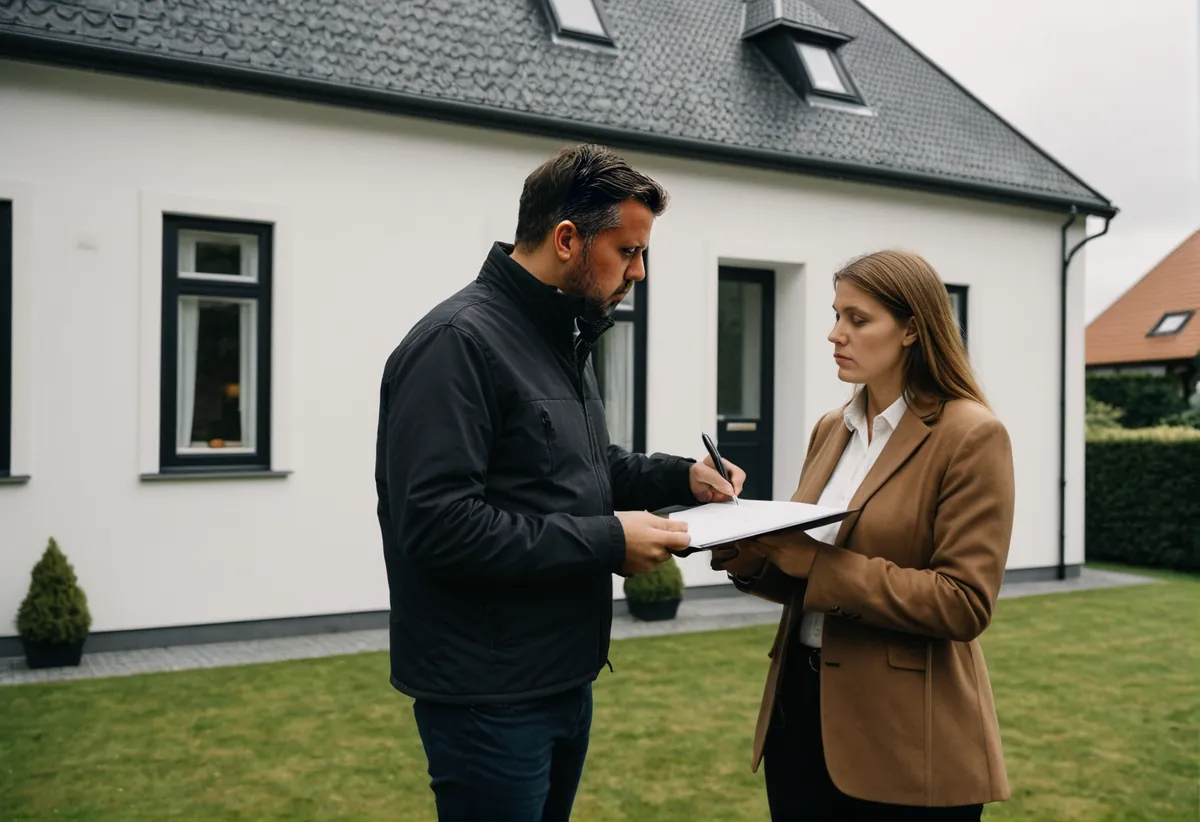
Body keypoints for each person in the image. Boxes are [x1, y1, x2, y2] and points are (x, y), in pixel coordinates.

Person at [375, 143, 746, 822]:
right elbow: (438, 525)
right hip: (489, 700)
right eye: (627, 252)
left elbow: (585, 469)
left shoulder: (559, 336)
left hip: (562, 682)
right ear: (567, 238)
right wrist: (609, 544)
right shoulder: (456, 344)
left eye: (644, 256)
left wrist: (681, 476)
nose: (638, 273)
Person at [712, 249, 1015, 822]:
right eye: (835, 315)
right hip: (798, 717)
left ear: (911, 330)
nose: (835, 334)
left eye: (857, 319)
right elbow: (806, 574)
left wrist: (812, 565)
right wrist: (752, 558)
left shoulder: (971, 435)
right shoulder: (833, 428)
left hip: (906, 738)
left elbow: (963, 603)